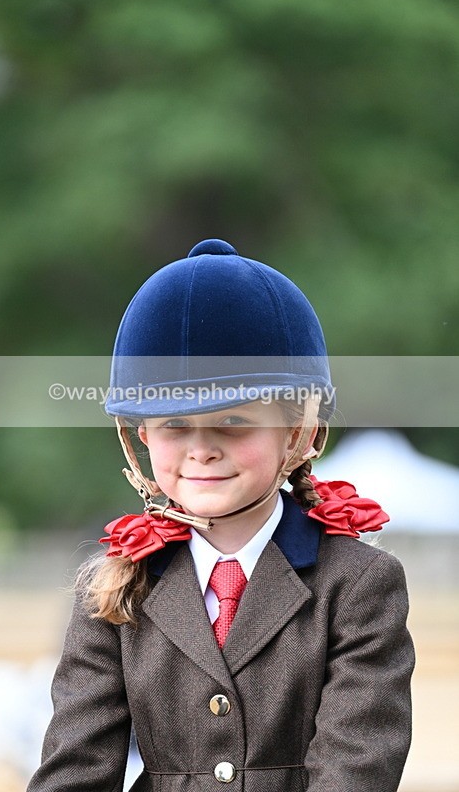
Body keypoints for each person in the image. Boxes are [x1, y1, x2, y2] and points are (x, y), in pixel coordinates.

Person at [27, 239, 415, 792]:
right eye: (174, 425)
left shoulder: (358, 585)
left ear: (297, 430)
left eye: (233, 420)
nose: (200, 449)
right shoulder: (110, 589)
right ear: (141, 435)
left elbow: (356, 770)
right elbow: (75, 772)